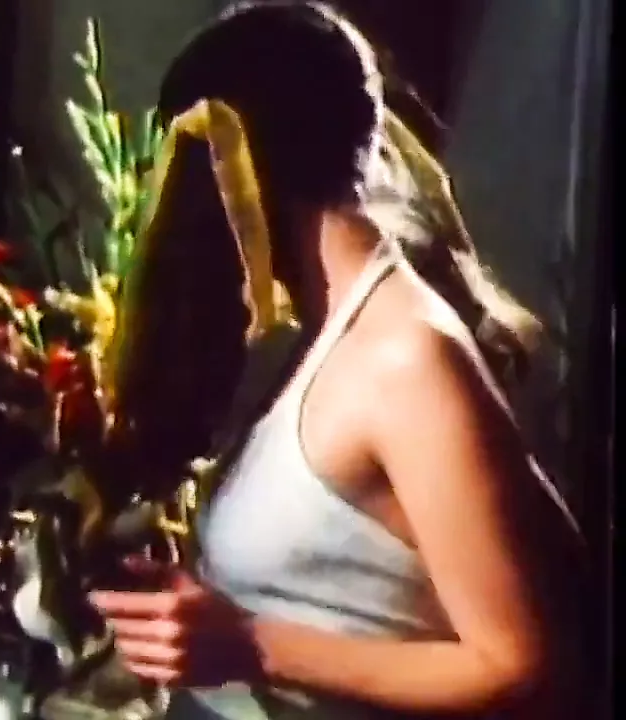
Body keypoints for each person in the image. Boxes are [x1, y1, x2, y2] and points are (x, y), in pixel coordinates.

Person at [88, 2, 587, 718]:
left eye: (181, 173)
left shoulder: (405, 359)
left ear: (236, 166)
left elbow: (522, 664)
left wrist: (253, 645)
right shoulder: (324, 336)